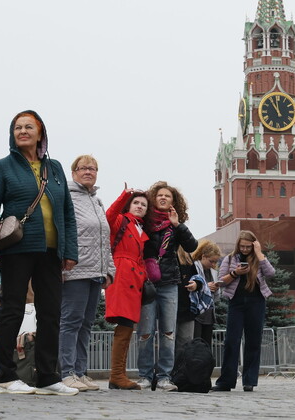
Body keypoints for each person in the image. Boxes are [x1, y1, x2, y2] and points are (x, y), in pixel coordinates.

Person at [0, 110, 79, 396]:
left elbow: (67, 213)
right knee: (12, 310)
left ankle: (48, 377)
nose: (22, 131)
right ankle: (6, 376)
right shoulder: (2, 167)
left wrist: (69, 250)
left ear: (40, 133)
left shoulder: (55, 168)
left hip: (51, 251)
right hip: (18, 249)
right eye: (17, 128)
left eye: (28, 127)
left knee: (51, 313)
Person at [58, 155, 115, 392]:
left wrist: (109, 270)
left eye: (93, 168)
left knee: (86, 324)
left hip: (96, 271)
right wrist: (61, 262)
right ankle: (66, 372)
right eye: (83, 168)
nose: (88, 172)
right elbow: (61, 231)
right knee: (70, 322)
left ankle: (80, 372)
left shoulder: (97, 201)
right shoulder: (66, 197)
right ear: (73, 173)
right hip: (75, 269)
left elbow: (104, 239)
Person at [137, 181, 198, 391]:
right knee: (145, 332)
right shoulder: (144, 222)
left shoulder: (175, 225)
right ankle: (145, 375)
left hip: (170, 284)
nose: (163, 198)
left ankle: (164, 376)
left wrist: (178, 225)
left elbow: (192, 246)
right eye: (160, 195)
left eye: (168, 196)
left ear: (174, 201)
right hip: (147, 283)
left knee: (168, 333)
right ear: (153, 199)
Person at [212, 230, 275, 393]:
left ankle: (250, 381)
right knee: (231, 341)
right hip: (236, 303)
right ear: (238, 245)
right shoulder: (230, 258)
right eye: (242, 246)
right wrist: (235, 273)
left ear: (253, 245)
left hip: (257, 302)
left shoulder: (258, 259)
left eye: (248, 246)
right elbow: (220, 281)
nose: (245, 249)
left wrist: (259, 253)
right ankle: (226, 381)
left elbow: (271, 273)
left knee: (253, 341)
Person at [104, 187, 149, 390]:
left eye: (143, 205)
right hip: (122, 276)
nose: (139, 206)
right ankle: (116, 375)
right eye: (136, 203)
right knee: (123, 326)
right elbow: (108, 216)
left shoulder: (140, 228)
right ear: (129, 205)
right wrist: (124, 195)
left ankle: (118, 375)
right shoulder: (122, 220)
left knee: (127, 327)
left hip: (133, 279)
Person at [191, 240, 221, 345]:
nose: (213, 264)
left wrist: (217, 288)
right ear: (203, 256)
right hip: (197, 315)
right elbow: (191, 288)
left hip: (209, 314)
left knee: (206, 347)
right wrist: (206, 287)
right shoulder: (194, 267)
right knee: (196, 345)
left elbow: (216, 298)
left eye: (215, 262)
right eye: (211, 261)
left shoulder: (213, 272)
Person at [174, 246, 201, 357]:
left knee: (186, 344)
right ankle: (168, 371)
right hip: (168, 307)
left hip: (186, 308)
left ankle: (182, 371)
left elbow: (198, 278)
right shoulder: (163, 253)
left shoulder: (187, 257)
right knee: (168, 343)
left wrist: (196, 284)